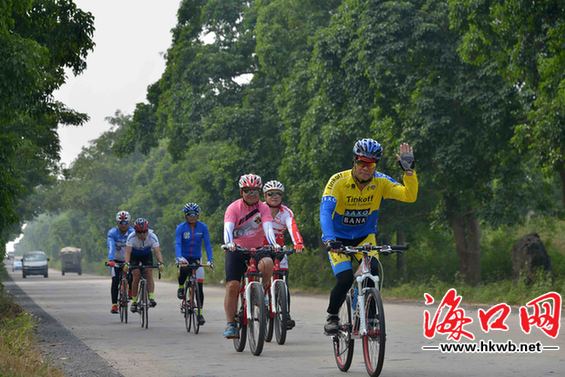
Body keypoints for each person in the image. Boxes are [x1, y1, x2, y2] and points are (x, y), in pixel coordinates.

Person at [320, 139, 418, 334]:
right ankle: (332, 315)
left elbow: (409, 195)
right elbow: (325, 211)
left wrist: (409, 172)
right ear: (354, 162)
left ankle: (370, 316)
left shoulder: (380, 181)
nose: (366, 168)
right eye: (362, 163)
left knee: (372, 272)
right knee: (345, 278)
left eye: (371, 164)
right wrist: (329, 239)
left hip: (365, 237)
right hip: (338, 239)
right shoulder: (338, 181)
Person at [222, 173, 279, 338]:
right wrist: (230, 243)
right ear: (241, 192)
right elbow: (228, 228)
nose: (251, 194)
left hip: (258, 248)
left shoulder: (263, 207)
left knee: (268, 263)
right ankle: (231, 323)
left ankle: (263, 291)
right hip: (237, 249)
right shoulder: (233, 208)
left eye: (255, 190)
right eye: (247, 190)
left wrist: (273, 243)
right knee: (232, 286)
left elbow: (268, 226)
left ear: (259, 192)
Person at [262, 180, 304, 329]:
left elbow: (293, 228)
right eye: (270, 194)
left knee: (284, 281)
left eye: (278, 194)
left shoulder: (286, 212)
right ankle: (258, 297)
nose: (274, 196)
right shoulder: (258, 210)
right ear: (265, 195)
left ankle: (286, 314)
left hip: (279, 248)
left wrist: (298, 243)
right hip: (260, 247)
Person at [175, 202, 214, 326]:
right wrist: (179, 257)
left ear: (198, 215)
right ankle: (181, 287)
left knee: (200, 288)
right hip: (184, 257)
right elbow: (178, 244)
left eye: (194, 214)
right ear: (185, 216)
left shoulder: (203, 227)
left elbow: (207, 244)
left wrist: (210, 259)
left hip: (197, 258)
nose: (192, 217)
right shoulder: (180, 228)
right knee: (184, 270)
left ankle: (200, 313)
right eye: (189, 214)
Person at [123, 218, 164, 313]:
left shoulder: (153, 236)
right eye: (139, 232)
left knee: (149, 273)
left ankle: (151, 297)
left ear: (147, 230)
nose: (142, 234)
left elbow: (157, 252)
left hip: (146, 255)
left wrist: (161, 263)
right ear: (135, 231)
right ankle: (134, 302)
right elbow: (128, 252)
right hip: (135, 256)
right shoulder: (131, 237)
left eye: (144, 232)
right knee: (136, 275)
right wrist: (126, 263)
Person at [106, 210, 134, 314]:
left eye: (126, 223)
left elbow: (135, 247)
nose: (123, 225)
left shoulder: (132, 232)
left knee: (132, 276)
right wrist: (110, 259)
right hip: (116, 260)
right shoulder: (112, 233)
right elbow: (111, 247)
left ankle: (131, 291)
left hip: (129, 259)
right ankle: (114, 305)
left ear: (129, 223)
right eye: (121, 223)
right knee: (115, 280)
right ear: (117, 223)